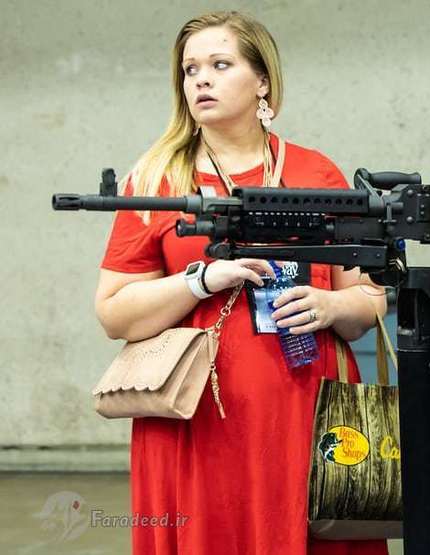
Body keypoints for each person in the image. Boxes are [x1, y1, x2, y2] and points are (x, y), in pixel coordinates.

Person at [94, 11, 387, 554]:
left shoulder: (316, 172)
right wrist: (199, 281)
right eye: (189, 69)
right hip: (195, 417)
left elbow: (369, 296)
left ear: (263, 82)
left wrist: (327, 305)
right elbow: (113, 313)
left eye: (220, 64)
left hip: (307, 409)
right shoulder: (156, 179)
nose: (200, 79)